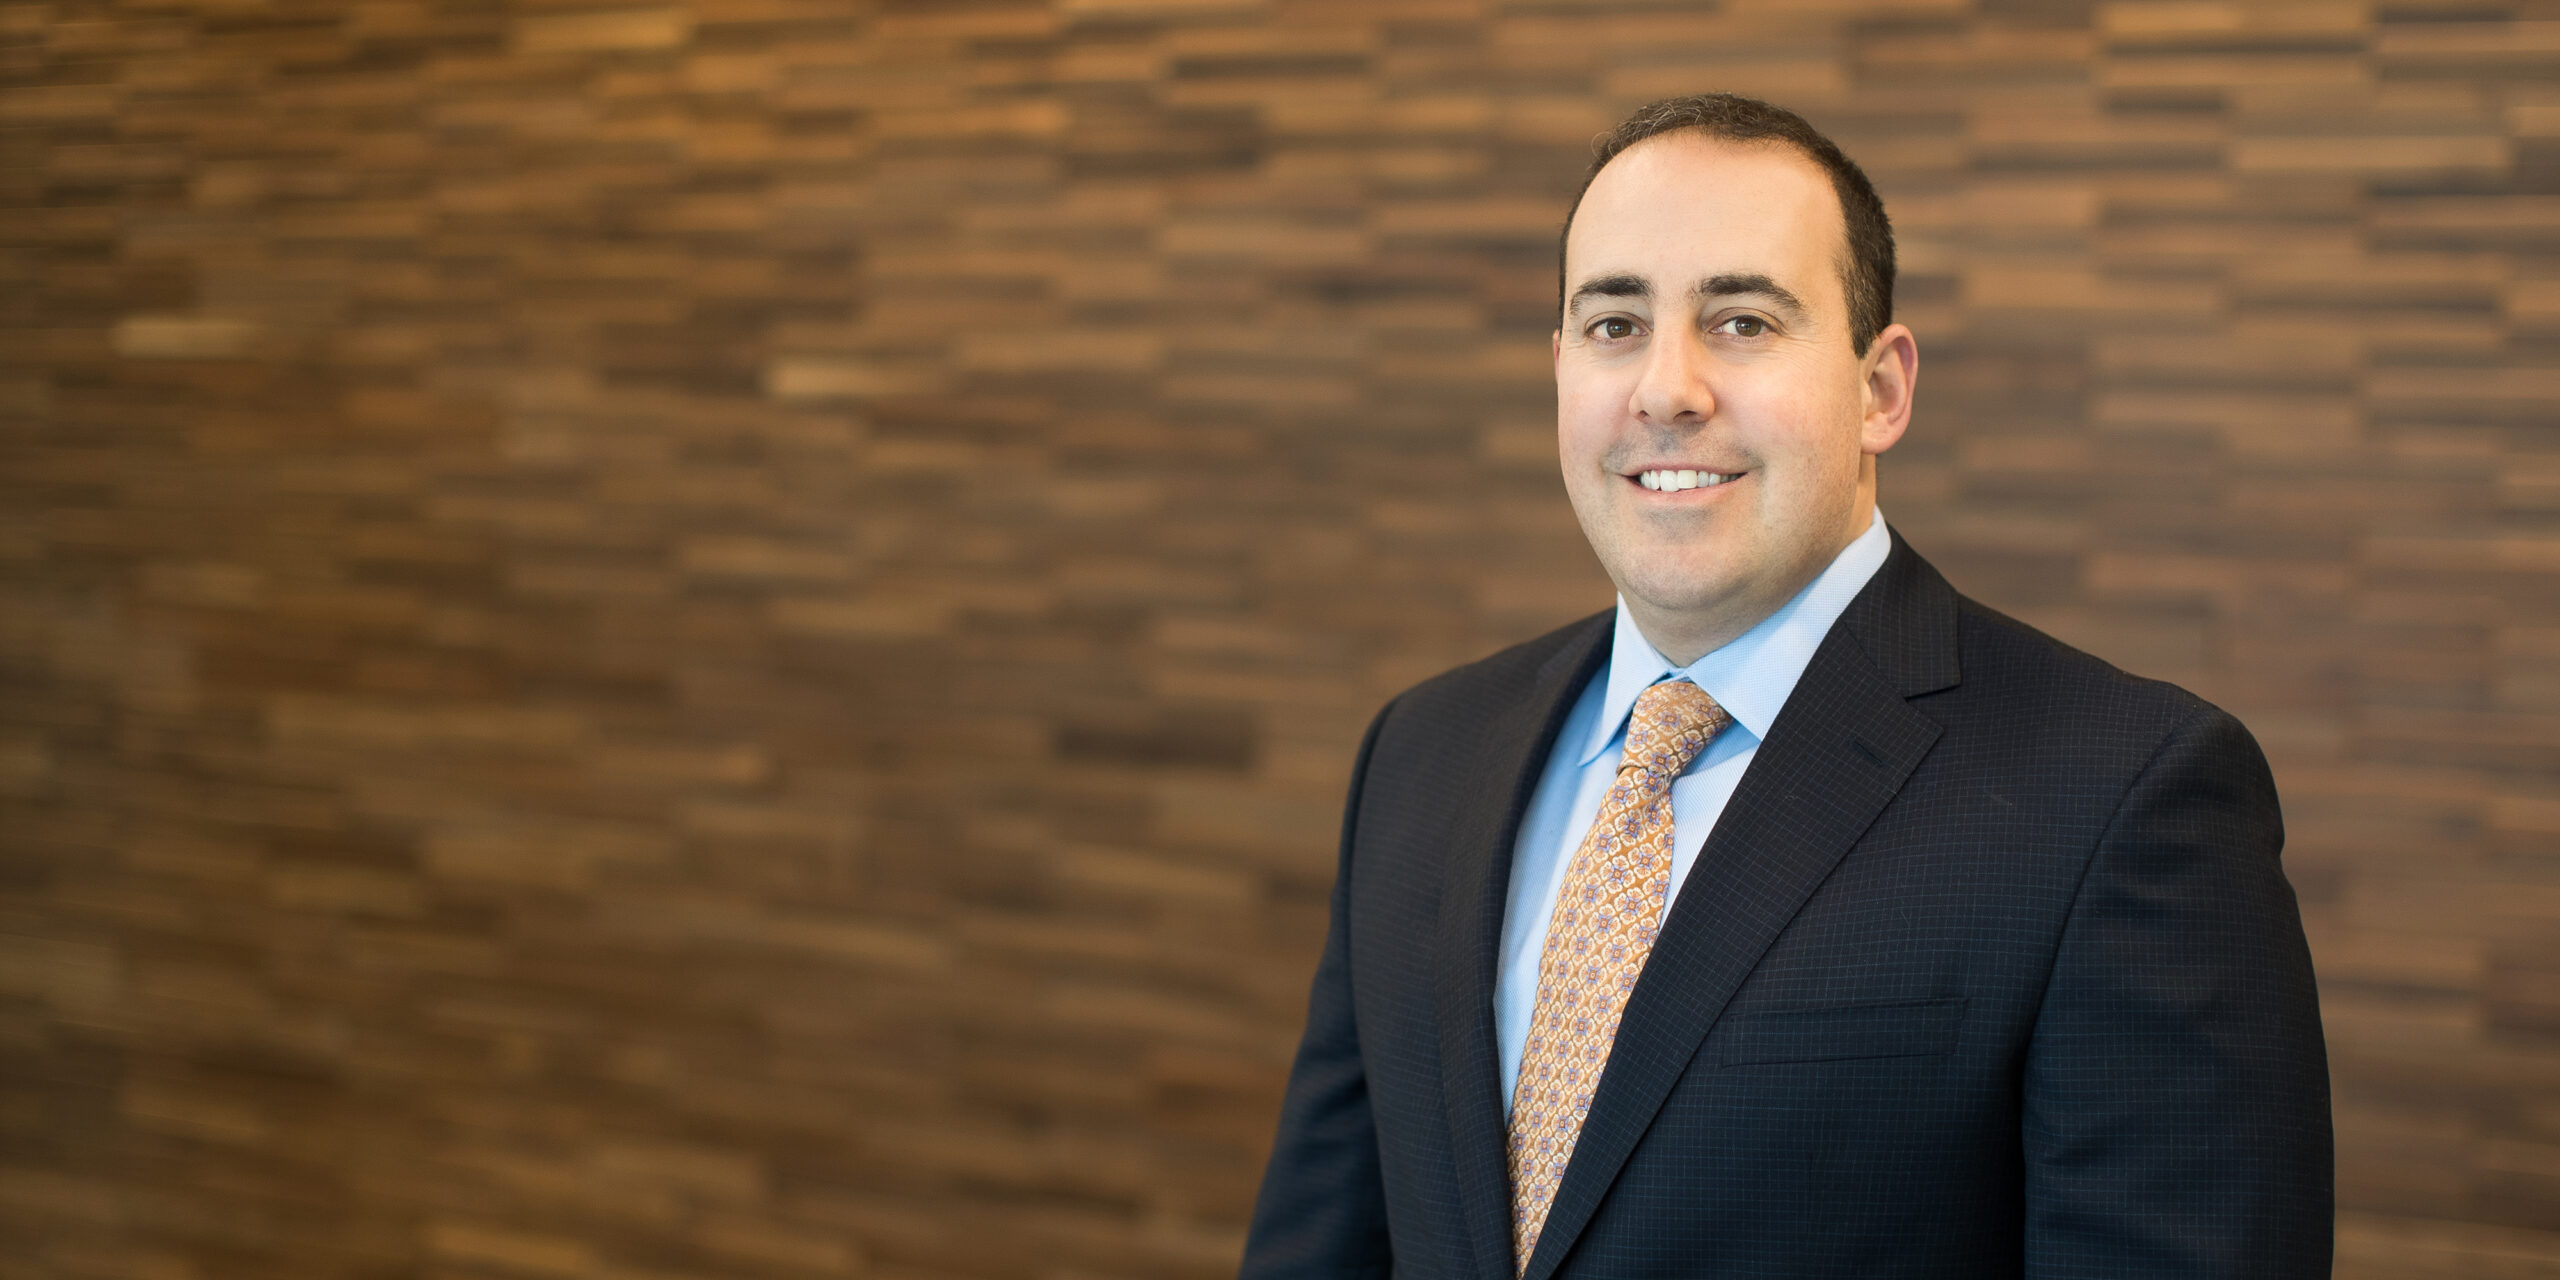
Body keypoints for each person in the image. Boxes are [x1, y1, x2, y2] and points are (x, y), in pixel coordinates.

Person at [1236, 94, 2332, 1280]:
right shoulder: (1422, 752)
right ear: (1559, 369)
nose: (1666, 388)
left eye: (1743, 320)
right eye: (1614, 323)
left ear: (1880, 389)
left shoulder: (2124, 798)